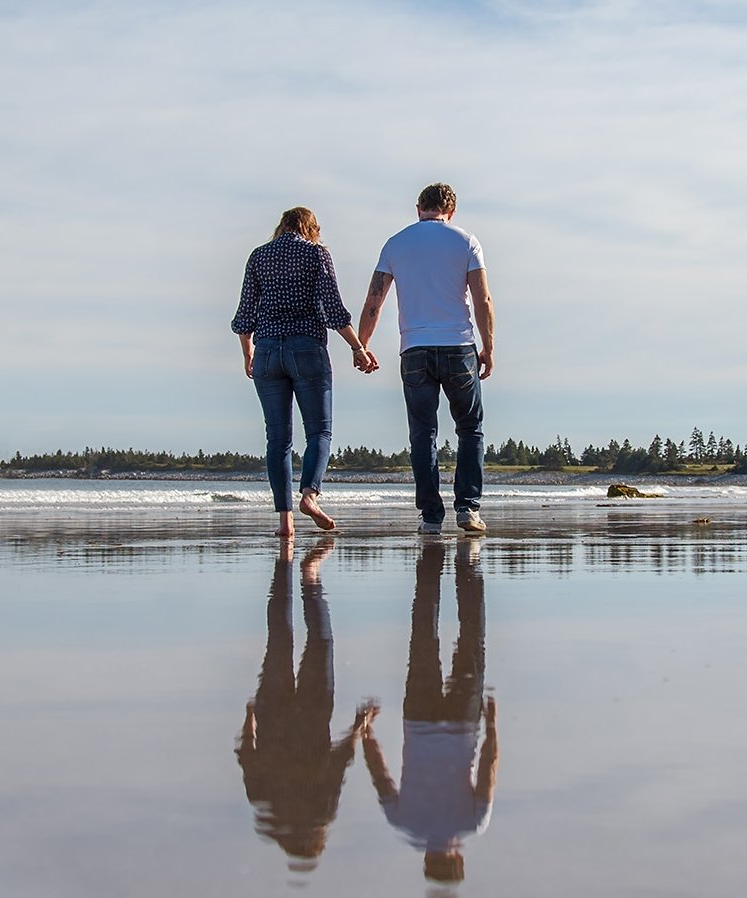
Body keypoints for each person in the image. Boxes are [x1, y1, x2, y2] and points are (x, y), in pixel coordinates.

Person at [357, 183, 496, 534]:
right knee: (470, 429)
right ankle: (467, 509)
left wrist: (362, 344)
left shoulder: (396, 243)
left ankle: (431, 516)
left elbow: (375, 300)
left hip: (415, 348)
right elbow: (483, 300)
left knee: (423, 433)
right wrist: (488, 346)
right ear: (451, 210)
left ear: (418, 207)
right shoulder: (466, 241)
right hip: (458, 347)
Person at [358, 540, 499, 885]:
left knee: (471, 641)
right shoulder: (403, 824)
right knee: (422, 638)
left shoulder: (472, 824)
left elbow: (488, 767)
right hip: (418, 721)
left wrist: (492, 724)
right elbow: (379, 774)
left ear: (458, 859)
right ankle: (432, 571)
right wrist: (366, 733)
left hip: (462, 724)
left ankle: (468, 572)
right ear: (426, 860)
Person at [231, 207, 378, 536]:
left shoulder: (258, 257)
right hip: (307, 349)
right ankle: (309, 496)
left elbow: (245, 316)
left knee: (277, 439)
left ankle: (285, 522)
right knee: (319, 433)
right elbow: (334, 310)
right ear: (311, 229)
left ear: (281, 226)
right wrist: (358, 347)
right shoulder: (316, 254)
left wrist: (248, 353)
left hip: (267, 351)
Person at [235, 539, 371, 875]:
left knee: (318, 640)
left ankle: (308, 579)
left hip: (311, 712)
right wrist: (251, 714)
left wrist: (359, 726)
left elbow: (339, 761)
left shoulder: (318, 810)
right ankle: (292, 578)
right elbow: (246, 752)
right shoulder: (265, 802)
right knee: (280, 637)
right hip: (276, 712)